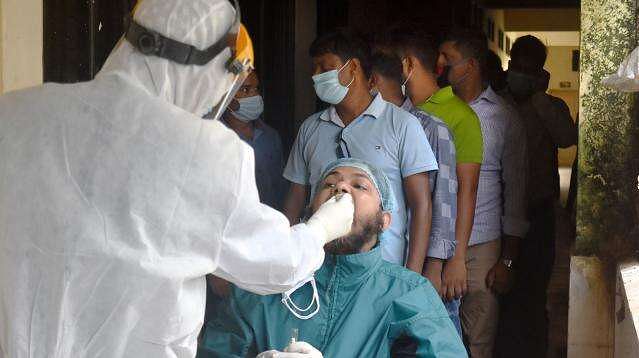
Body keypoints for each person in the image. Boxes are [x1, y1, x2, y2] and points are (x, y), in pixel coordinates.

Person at [0, 1, 356, 357]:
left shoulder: (13, 113)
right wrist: (321, 229)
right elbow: (276, 266)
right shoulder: (207, 152)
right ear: (211, 69)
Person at [198, 158, 468, 358]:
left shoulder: (408, 293)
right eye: (329, 184)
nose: (340, 188)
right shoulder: (265, 284)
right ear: (311, 213)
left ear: (384, 221)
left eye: (360, 185)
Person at [282, 29, 438, 274]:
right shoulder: (310, 129)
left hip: (382, 269)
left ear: (353, 67)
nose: (315, 76)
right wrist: (286, 257)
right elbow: (296, 198)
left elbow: (421, 205)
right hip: (316, 269)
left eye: (324, 68)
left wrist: (412, 275)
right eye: (314, 69)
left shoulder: (402, 125)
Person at [438, 29, 529, 357]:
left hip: (483, 247)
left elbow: (516, 193)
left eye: (447, 58)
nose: (439, 64)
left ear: (471, 65)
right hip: (437, 245)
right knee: (437, 340)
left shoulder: (503, 117)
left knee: (477, 343)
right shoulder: (433, 111)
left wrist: (507, 260)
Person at [385, 27, 483, 315]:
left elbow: (465, 191)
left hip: (436, 256)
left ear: (408, 65)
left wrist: (454, 259)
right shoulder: (402, 113)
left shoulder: (459, 116)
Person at [495, 35, 578, 358]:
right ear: (509, 65)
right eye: (517, 66)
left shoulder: (550, 106)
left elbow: (567, 138)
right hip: (500, 216)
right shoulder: (496, 103)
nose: (521, 73)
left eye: (530, 69)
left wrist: (540, 98)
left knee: (533, 291)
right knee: (501, 293)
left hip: (538, 214)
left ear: (541, 73)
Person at [369, 49, 461, 335]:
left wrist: (433, 267)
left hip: (421, 266)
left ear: (371, 82)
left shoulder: (431, 128)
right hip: (387, 266)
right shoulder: (368, 129)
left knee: (431, 339)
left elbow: (443, 201)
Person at [207, 70, 286, 210]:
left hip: (270, 222)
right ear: (227, 96)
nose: (255, 95)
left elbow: (280, 187)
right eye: (245, 89)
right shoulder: (213, 137)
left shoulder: (270, 136)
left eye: (256, 89)